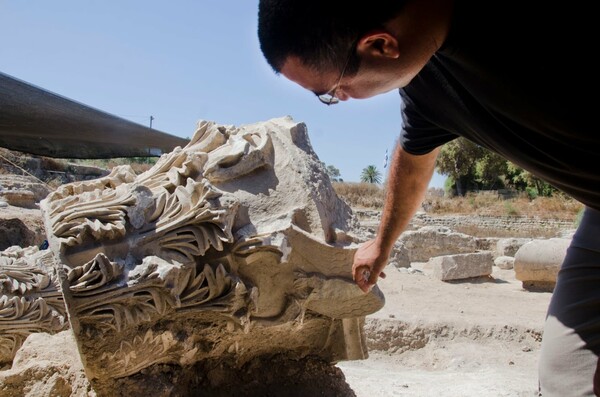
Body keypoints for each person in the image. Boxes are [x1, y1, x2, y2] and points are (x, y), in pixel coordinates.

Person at [257, 0, 599, 395]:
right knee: (568, 382)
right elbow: (414, 154)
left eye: (334, 91)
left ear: (381, 45)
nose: (343, 100)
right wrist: (382, 243)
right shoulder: (425, 80)